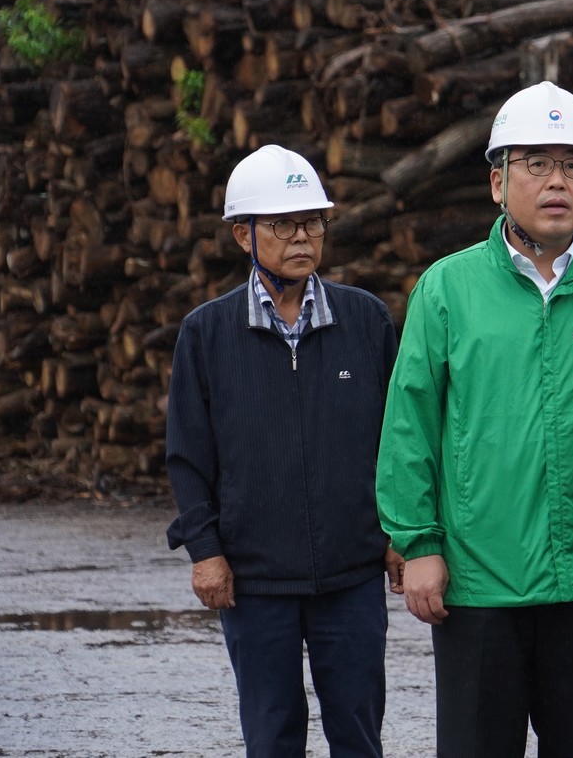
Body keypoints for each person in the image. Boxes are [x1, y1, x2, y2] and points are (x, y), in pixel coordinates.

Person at [375, 81, 573, 758]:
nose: (557, 181)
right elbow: (409, 427)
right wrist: (419, 541)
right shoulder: (448, 288)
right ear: (498, 182)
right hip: (479, 580)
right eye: (536, 164)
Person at [165, 145, 402, 758]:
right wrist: (206, 551)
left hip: (351, 574)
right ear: (243, 236)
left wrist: (404, 532)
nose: (302, 237)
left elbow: (401, 439)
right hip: (253, 578)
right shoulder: (207, 333)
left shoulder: (366, 319)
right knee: (271, 736)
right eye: (282, 225)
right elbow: (187, 455)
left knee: (358, 731)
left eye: (312, 222)